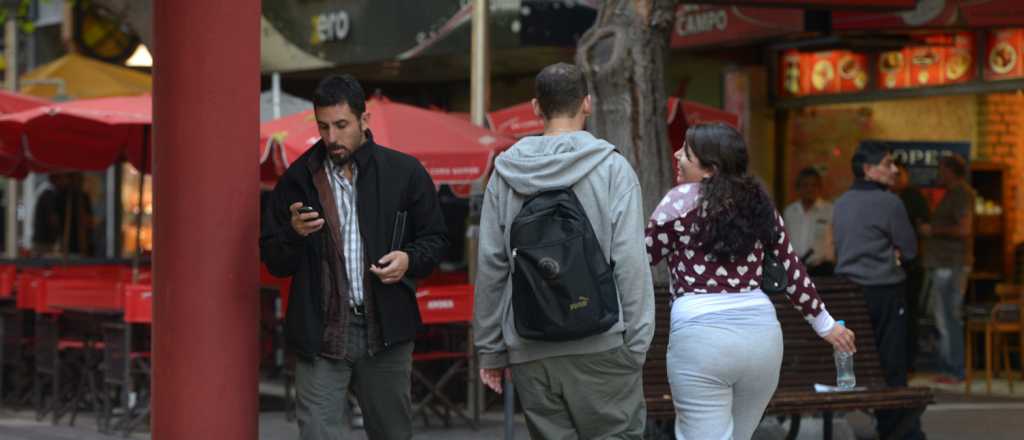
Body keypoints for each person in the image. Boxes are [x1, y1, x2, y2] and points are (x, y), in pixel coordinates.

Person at [260, 74, 449, 440]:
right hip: (322, 332)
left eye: (342, 125)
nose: (331, 137)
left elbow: (437, 240)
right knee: (317, 432)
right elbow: (273, 258)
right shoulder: (297, 179)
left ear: (364, 121)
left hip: (387, 329)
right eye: (323, 126)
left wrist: (409, 260)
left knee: (393, 434)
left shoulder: (404, 172)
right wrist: (293, 234)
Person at [473, 62, 655, 439]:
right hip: (602, 342)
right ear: (587, 104)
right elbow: (631, 262)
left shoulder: (505, 174)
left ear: (536, 108)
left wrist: (490, 350)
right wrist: (635, 345)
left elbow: (491, 266)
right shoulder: (613, 169)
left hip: (530, 346)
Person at [646, 123, 855, 440]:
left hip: (701, 338)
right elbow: (791, 267)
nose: (676, 155)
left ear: (709, 170)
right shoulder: (760, 204)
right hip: (761, 340)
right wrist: (827, 325)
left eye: (686, 152)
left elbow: (639, 259)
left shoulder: (678, 202)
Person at [833, 142, 926, 439]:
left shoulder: (842, 202)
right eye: (887, 164)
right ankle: (896, 428)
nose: (894, 169)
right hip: (886, 291)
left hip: (847, 294)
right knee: (892, 363)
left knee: (862, 361)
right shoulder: (890, 203)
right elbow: (910, 249)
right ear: (868, 170)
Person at [920, 154, 974, 384]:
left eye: (941, 170)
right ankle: (949, 367)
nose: (938, 174)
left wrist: (932, 230)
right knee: (943, 317)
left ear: (951, 171)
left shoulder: (961, 193)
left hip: (952, 264)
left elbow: (964, 229)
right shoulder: (953, 194)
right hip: (944, 263)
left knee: (949, 317)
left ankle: (955, 369)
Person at [892, 161, 931, 372]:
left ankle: (908, 363)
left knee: (909, 315)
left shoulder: (912, 197)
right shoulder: (887, 197)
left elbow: (924, 228)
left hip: (910, 265)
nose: (894, 177)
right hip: (892, 267)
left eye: (898, 174)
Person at [783, 167, 835, 276]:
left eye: (814, 185)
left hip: (822, 269)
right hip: (795, 269)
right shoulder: (790, 212)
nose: (809, 189)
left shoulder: (830, 211)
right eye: (805, 185)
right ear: (798, 188)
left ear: (820, 187)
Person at [32, 173, 95, 257]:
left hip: (74, 245)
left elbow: (88, 221)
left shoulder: (79, 196)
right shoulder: (53, 194)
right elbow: (54, 220)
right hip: (55, 243)